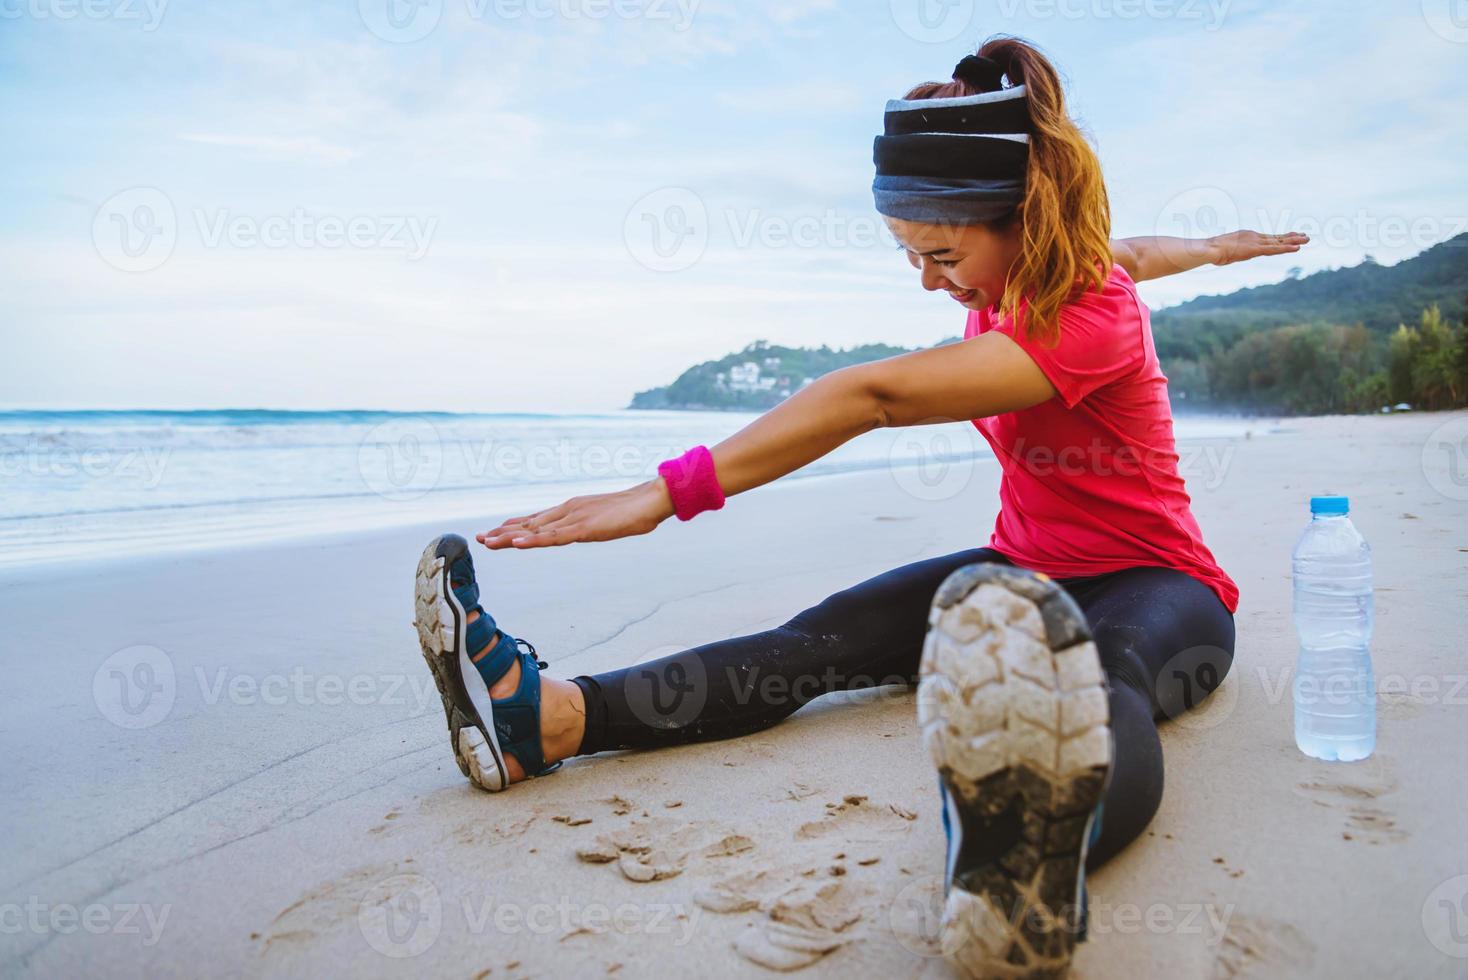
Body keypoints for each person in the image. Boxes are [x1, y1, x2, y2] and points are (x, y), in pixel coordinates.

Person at [411, 35, 1306, 978]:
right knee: (819, 638)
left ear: (1020, 219)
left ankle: (1025, 870)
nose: (929, 280)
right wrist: (1213, 249)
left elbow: (869, 396)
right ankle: (545, 720)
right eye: (912, 256)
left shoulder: (1094, 314)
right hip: (1016, 574)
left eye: (942, 254)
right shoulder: (1030, 274)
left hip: (1161, 587)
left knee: (1103, 680)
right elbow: (1141, 247)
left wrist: (658, 497)